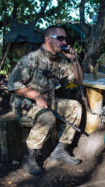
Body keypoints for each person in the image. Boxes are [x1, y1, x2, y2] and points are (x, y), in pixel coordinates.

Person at [7, 25, 84, 175]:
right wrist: (36, 95)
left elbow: (78, 79)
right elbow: (13, 85)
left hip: (48, 101)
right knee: (46, 116)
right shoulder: (31, 59)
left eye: (65, 39)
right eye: (60, 38)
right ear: (48, 39)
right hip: (24, 103)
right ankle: (30, 157)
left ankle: (60, 150)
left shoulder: (61, 60)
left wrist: (74, 60)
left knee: (75, 107)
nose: (64, 42)